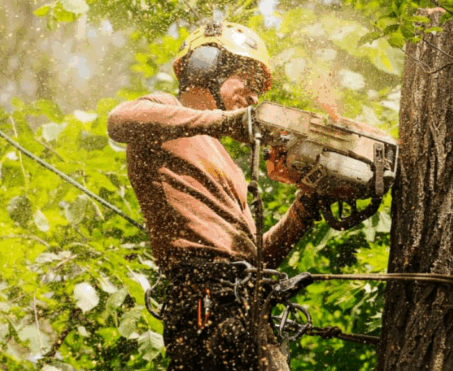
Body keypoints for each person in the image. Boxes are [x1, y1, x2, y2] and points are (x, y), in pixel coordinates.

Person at [107, 22, 321, 370]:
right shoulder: (161, 111)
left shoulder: (230, 166)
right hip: (202, 297)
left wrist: (307, 203)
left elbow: (254, 254)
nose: (254, 98)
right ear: (205, 67)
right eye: (247, 84)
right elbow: (119, 120)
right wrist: (224, 121)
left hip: (242, 301)